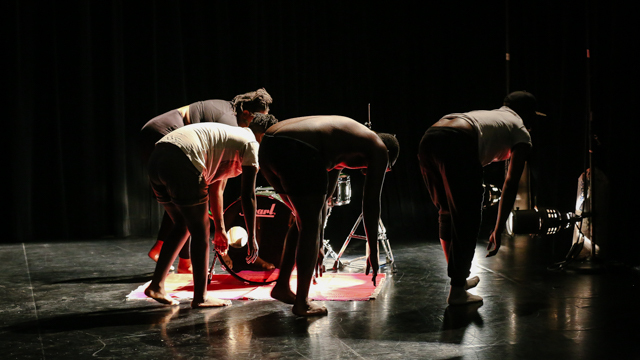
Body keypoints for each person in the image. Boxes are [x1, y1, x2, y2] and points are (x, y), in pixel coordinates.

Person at [258, 116, 400, 316]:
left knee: (305, 221)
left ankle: (282, 286)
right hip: (296, 148)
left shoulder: (346, 143)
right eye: (385, 169)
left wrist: (317, 241)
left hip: (270, 146)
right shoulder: (377, 148)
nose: (371, 173)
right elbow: (370, 203)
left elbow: (325, 198)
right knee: (309, 224)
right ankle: (302, 303)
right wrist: (374, 252)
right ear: (387, 157)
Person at [418, 91, 543, 305]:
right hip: (458, 139)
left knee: (447, 211)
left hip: (430, 137)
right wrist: (499, 227)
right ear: (527, 114)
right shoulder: (520, 130)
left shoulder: (494, 116)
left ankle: (459, 281)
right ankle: (457, 290)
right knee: (468, 216)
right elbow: (511, 182)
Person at [144, 113, 279, 308]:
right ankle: (201, 297)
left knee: (183, 225)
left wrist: (221, 229)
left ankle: (156, 286)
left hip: (157, 159)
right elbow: (248, 195)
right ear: (265, 136)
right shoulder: (252, 144)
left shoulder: (230, 140)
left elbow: (217, 190)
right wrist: (251, 237)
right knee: (200, 229)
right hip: (182, 159)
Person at [140, 89, 273, 273]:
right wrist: (221, 228)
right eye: (257, 120)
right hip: (165, 134)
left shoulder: (230, 110)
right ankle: (182, 262)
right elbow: (217, 186)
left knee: (181, 202)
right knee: (190, 205)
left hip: (159, 136)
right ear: (246, 114)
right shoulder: (231, 123)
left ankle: (172, 255)